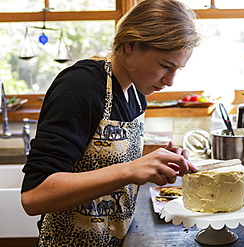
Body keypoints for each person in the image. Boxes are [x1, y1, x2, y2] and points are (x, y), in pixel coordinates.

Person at [20, 0, 200, 245]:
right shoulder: (81, 85)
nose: (170, 81)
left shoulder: (135, 92)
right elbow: (35, 196)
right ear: (131, 45)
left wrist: (158, 159)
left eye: (178, 69)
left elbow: (101, 153)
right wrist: (129, 170)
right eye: (165, 66)